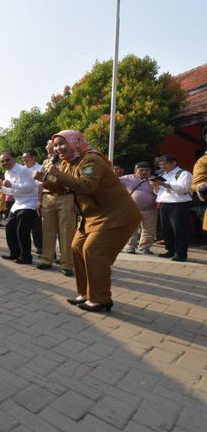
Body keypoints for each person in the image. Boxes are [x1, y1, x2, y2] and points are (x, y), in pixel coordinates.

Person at [37, 130, 139, 312]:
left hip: (116, 214)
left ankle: (101, 299)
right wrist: (44, 179)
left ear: (76, 142)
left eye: (62, 143)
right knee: (76, 248)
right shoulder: (68, 163)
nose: (58, 148)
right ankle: (85, 294)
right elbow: (62, 189)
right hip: (93, 216)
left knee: (93, 251)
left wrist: (57, 173)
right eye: (56, 144)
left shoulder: (91, 160)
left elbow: (87, 186)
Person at [36, 141, 76, 276]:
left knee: (66, 231)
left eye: (50, 144)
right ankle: (47, 259)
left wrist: (77, 201)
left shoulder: (71, 161)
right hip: (48, 197)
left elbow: (76, 181)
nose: (48, 147)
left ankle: (67, 264)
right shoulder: (47, 161)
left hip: (66, 197)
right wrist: (39, 200)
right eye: (49, 145)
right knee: (47, 229)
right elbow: (42, 182)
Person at [0, 152, 38, 265]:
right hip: (18, 203)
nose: (5, 163)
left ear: (14, 159)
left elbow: (30, 187)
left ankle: (26, 256)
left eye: (7, 160)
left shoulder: (23, 170)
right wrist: (1, 187)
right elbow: (11, 192)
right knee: (9, 228)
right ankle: (14, 253)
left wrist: (12, 185)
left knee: (22, 230)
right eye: (2, 161)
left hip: (29, 203)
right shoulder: (7, 173)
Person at [152, 154, 193, 262]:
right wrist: (156, 186)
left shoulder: (184, 173)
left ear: (174, 163)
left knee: (179, 229)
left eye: (165, 163)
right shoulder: (163, 174)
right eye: (160, 164)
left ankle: (181, 254)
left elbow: (183, 189)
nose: (162, 166)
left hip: (179, 204)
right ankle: (170, 250)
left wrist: (165, 184)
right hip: (164, 203)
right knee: (166, 230)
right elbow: (158, 192)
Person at [119, 162, 158, 255]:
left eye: (147, 170)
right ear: (135, 171)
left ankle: (145, 247)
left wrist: (157, 185)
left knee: (149, 229)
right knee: (131, 228)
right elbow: (112, 181)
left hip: (150, 209)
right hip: (132, 208)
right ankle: (131, 246)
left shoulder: (155, 179)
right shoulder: (127, 178)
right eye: (141, 170)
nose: (144, 172)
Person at [22, 150, 43, 254]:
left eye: (27, 157)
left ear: (34, 157)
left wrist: (39, 200)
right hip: (24, 201)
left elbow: (41, 185)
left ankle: (40, 247)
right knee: (24, 227)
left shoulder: (40, 168)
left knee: (37, 226)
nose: (24, 159)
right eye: (23, 158)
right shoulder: (22, 170)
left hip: (37, 200)